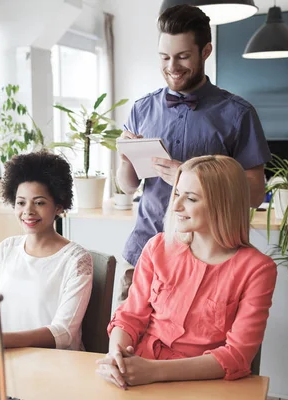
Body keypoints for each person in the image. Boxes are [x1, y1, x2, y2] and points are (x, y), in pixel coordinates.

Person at [116, 4, 271, 302]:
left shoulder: (238, 115)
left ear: (206, 51)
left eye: (183, 56)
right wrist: (124, 158)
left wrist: (191, 178)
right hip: (143, 254)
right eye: (164, 57)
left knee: (192, 349)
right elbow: (128, 185)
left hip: (210, 263)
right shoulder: (141, 109)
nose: (171, 66)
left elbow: (253, 194)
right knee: (127, 345)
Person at [96, 155, 277, 388]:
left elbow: (238, 355)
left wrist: (153, 371)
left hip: (203, 384)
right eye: (177, 194)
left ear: (223, 203)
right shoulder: (157, 247)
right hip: (137, 376)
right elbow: (129, 317)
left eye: (190, 198)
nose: (176, 205)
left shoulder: (257, 270)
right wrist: (117, 358)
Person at [0, 151, 93, 355]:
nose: (28, 211)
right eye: (21, 202)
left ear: (59, 206)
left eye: (39, 202)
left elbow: (63, 333)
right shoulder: (7, 249)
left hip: (58, 366)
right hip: (9, 360)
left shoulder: (76, 260)